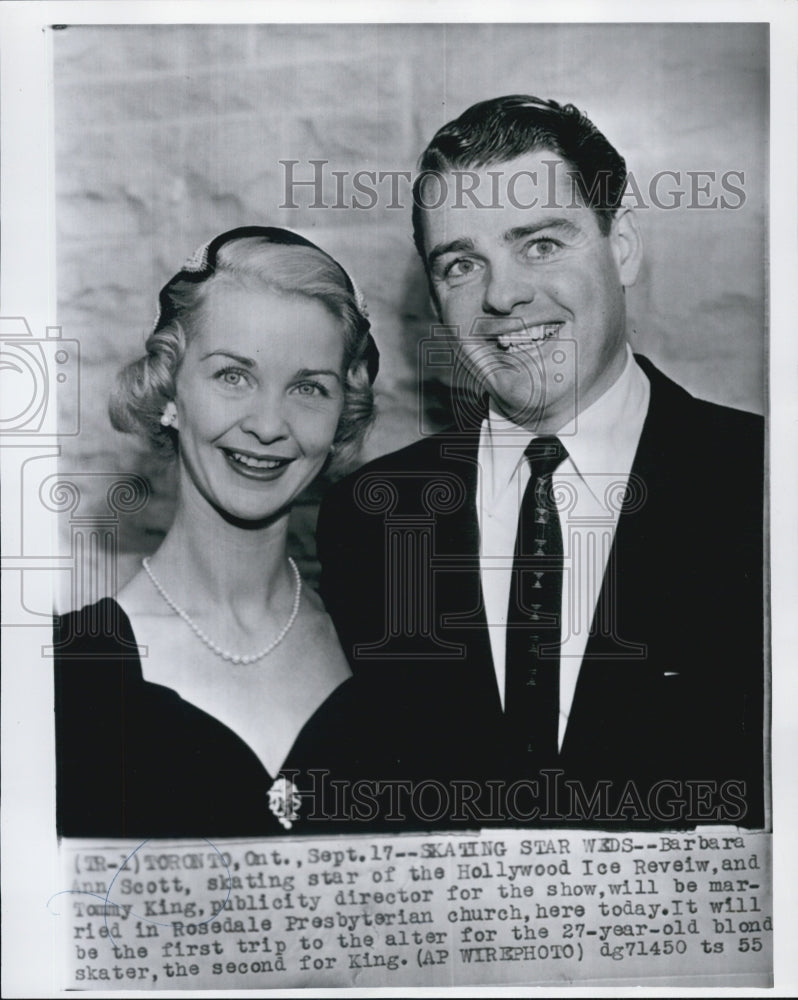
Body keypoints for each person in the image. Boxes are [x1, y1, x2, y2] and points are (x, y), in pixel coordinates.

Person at [318, 97, 765, 829]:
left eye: (540, 244)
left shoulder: (767, 485)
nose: (503, 295)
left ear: (620, 243)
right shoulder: (371, 517)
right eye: (462, 264)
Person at [54, 225, 388, 838]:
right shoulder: (64, 674)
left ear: (342, 416)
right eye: (234, 376)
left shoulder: (388, 652)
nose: (268, 425)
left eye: (309, 388)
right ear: (168, 392)